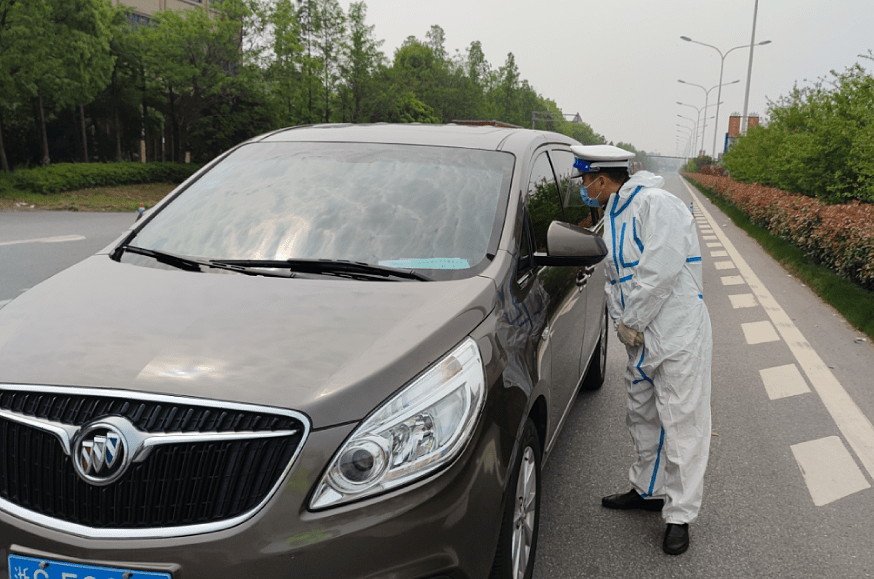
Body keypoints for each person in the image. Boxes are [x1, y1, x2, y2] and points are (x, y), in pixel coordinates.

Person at [571, 145, 713, 556]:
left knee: (682, 421)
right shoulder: (614, 208)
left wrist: (630, 323)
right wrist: (629, 327)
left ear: (602, 177)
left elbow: (657, 274)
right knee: (643, 413)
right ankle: (648, 489)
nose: (584, 189)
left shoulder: (657, 205)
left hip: (676, 334)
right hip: (639, 336)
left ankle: (680, 515)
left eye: (585, 181)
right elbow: (619, 276)